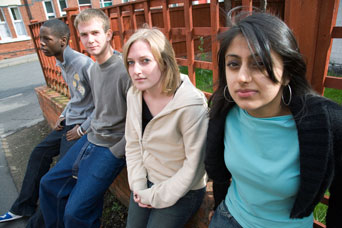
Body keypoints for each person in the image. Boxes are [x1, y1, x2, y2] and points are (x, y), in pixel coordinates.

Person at [205, 12, 342, 228]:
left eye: (259, 63)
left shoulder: (328, 124)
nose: (241, 77)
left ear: (287, 73)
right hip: (228, 217)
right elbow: (220, 174)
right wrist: (218, 206)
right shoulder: (224, 112)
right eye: (233, 64)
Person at [39, 8, 131, 228]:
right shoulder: (95, 69)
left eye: (95, 33)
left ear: (108, 34)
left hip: (111, 146)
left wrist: (116, 151)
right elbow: (99, 109)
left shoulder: (125, 70)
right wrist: (83, 130)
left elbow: (137, 121)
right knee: (48, 184)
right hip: (91, 139)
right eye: (84, 35)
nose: (90, 40)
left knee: (75, 213)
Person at [0, 19, 94, 225]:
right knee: (38, 154)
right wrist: (63, 114)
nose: (40, 43)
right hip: (69, 121)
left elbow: (102, 103)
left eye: (46, 39)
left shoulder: (83, 64)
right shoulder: (62, 62)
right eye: (39, 38)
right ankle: (23, 206)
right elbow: (76, 97)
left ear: (62, 41)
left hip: (81, 128)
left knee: (55, 180)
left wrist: (82, 128)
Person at [122, 27, 208, 228]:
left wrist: (155, 197)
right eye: (130, 63)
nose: (136, 70)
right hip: (147, 181)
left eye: (145, 61)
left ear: (164, 61)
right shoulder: (134, 94)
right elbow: (133, 143)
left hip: (183, 189)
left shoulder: (191, 104)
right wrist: (138, 185)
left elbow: (194, 167)